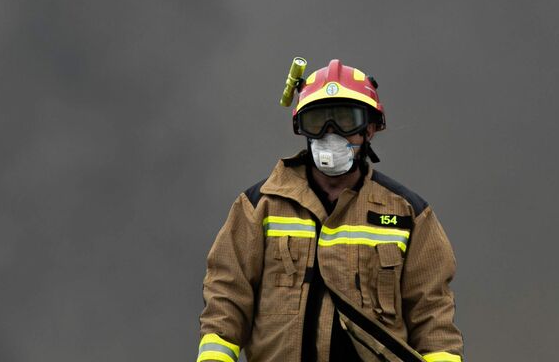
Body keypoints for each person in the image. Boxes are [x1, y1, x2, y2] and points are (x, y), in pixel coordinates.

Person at [196, 59, 464, 362]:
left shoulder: (408, 215)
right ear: (301, 128)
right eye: (318, 120)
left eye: (345, 120)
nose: (330, 133)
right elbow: (227, 296)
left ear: (370, 129)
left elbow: (432, 315)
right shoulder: (260, 207)